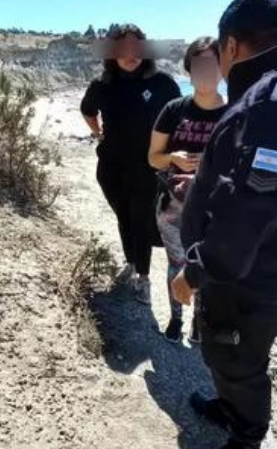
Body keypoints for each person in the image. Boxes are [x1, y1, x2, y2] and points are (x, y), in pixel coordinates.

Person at [172, 0, 277, 449]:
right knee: (227, 351)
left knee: (238, 357)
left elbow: (251, 212)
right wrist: (203, 183)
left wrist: (195, 271)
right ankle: (230, 407)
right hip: (252, 264)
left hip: (251, 271)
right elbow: (251, 185)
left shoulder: (275, 101)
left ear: (233, 45)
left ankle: (245, 443)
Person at [81, 24, 181, 304]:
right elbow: (87, 111)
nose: (130, 54)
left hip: (148, 168)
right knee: (123, 217)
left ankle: (144, 278)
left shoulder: (162, 83)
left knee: (141, 219)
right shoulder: (102, 85)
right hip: (111, 169)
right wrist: (99, 133)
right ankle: (132, 263)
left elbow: (181, 116)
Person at [149, 37, 227, 344]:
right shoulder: (174, 110)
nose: (205, 71)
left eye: (212, 64)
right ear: (189, 70)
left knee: (206, 267)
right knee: (177, 264)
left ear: (223, 68)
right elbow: (152, 157)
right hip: (174, 205)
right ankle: (176, 318)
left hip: (215, 209)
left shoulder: (235, 112)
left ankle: (199, 321)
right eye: (198, 65)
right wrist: (173, 158)